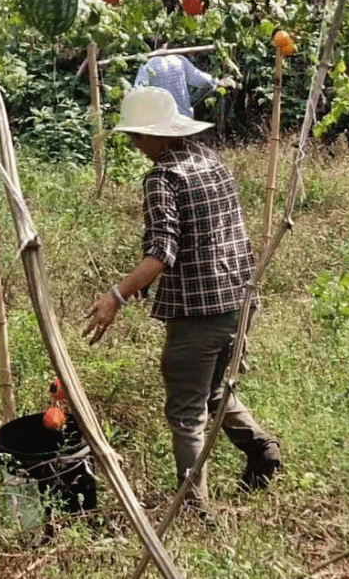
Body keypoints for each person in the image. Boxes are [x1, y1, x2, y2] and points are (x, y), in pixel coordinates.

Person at [81, 85, 280, 517]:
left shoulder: (162, 177)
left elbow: (162, 251)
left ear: (159, 135)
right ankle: (262, 448)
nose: (134, 144)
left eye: (137, 135)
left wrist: (116, 294)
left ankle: (192, 508)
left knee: (186, 411)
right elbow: (204, 235)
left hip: (199, 313)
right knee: (212, 391)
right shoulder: (209, 159)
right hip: (239, 300)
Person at [134, 54, 218, 118]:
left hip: (161, 118)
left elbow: (139, 91)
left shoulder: (148, 64)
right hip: (183, 116)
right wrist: (217, 81)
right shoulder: (179, 60)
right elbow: (199, 79)